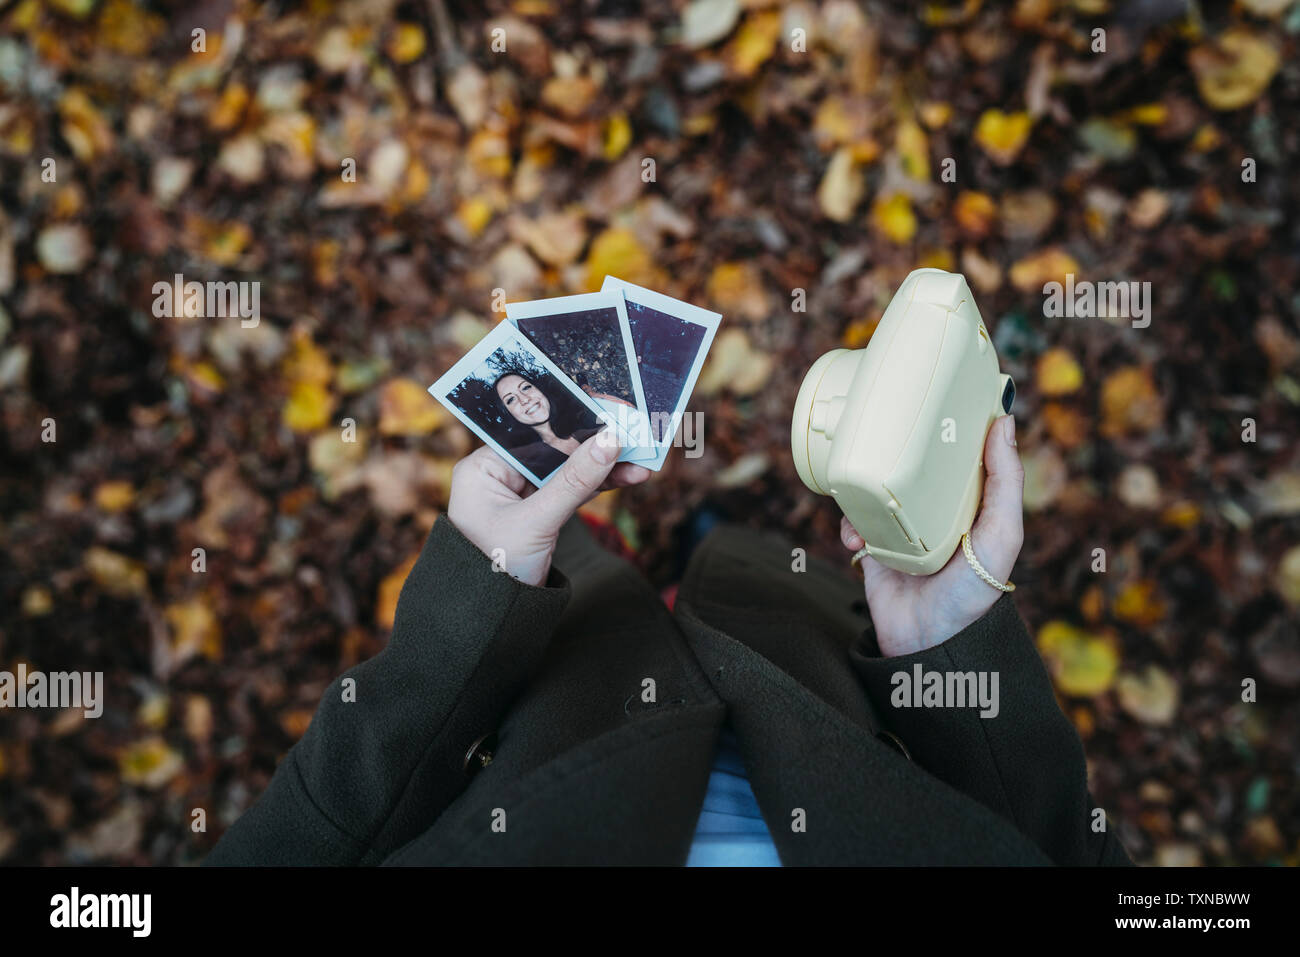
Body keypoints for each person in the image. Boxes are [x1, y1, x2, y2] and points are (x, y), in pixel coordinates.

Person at [205, 414, 1133, 866]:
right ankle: (703, 545)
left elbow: (312, 833)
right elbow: (1059, 850)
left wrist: (474, 609)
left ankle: (631, 554)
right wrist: (950, 649)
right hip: (803, 675)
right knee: (745, 570)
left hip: (560, 699)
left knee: (591, 577)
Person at [493, 372, 601, 479]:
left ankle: (587, 390)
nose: (525, 399)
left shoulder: (584, 417)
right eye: (511, 399)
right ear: (508, 414)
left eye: (525, 388)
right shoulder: (533, 465)